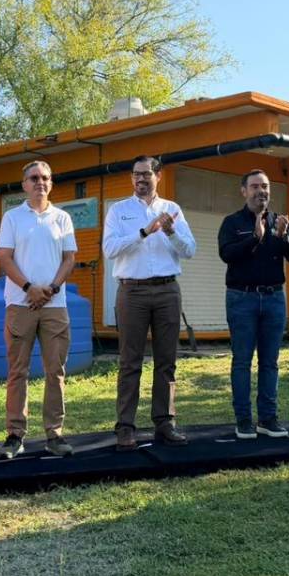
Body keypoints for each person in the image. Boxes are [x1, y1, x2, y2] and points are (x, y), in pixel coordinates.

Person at [103, 155, 196, 450]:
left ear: (157, 176)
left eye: (146, 174)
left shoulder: (173, 209)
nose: (140, 179)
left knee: (166, 361)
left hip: (168, 290)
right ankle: (126, 427)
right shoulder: (119, 210)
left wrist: (170, 231)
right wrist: (144, 231)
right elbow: (109, 249)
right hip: (132, 292)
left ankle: (165, 422)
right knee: (130, 362)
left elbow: (190, 249)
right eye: (135, 174)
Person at [0, 160, 78, 459]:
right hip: (21, 304)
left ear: (51, 183)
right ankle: (15, 435)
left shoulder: (63, 218)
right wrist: (30, 288)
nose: (40, 182)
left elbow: (69, 259)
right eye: (34, 178)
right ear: (24, 185)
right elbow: (5, 259)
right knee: (18, 372)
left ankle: (54, 435)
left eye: (45, 177)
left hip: (55, 306)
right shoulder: (13, 218)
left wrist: (51, 289)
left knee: (55, 371)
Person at [217, 169, 289, 439]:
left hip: (274, 298)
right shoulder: (232, 222)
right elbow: (226, 254)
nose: (260, 191)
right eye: (254, 186)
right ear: (244, 191)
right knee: (242, 361)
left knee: (270, 362)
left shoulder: (280, 222)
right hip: (242, 298)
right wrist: (254, 237)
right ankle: (243, 420)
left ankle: (268, 418)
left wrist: (285, 238)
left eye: (264, 186)